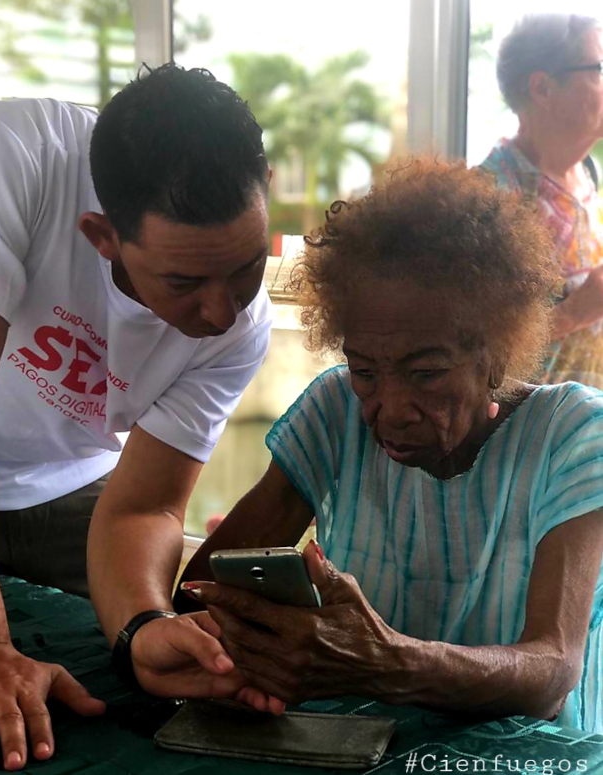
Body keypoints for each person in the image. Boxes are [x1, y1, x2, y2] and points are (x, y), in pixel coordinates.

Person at [180, 158, 603, 735]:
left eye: (426, 372)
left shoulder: (575, 435)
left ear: (495, 357)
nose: (391, 409)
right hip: (356, 746)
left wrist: (388, 664)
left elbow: (553, 671)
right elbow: (200, 595)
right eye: (365, 371)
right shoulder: (336, 411)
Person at [0, 64, 283, 772]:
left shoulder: (242, 327)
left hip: (72, 485)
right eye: (184, 283)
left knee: (144, 684)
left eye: (244, 270)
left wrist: (143, 627)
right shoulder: (13, 157)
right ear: (101, 235)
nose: (220, 312)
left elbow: (144, 505)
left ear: (265, 185)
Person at [481, 13, 603, 388]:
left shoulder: (588, 172)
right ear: (543, 88)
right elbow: (473, 343)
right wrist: (573, 312)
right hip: (533, 437)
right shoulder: (488, 196)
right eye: (598, 68)